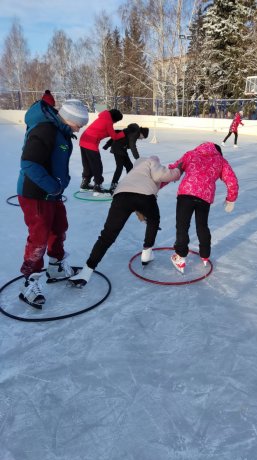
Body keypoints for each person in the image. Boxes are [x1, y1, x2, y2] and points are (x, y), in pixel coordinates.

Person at [17, 99, 89, 309]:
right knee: (39, 237)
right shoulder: (45, 130)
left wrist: (58, 186)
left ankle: (56, 267)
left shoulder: (61, 132)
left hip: (51, 194)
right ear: (69, 118)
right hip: (35, 194)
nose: (81, 127)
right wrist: (53, 186)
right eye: (80, 123)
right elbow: (29, 163)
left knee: (59, 227)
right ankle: (29, 282)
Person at [68, 156, 181, 288]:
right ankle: (147, 253)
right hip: (145, 197)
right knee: (153, 221)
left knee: (107, 236)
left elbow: (133, 193)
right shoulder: (151, 160)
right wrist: (178, 171)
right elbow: (160, 175)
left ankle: (86, 272)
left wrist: (139, 210)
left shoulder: (134, 171)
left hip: (120, 196)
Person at [168, 142, 239, 274]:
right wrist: (231, 199)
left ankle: (180, 256)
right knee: (202, 226)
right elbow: (231, 180)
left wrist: (156, 185)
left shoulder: (191, 154)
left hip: (186, 194)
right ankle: (205, 255)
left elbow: (173, 170)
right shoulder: (221, 160)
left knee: (182, 225)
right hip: (204, 197)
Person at [79, 109, 125, 194]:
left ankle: (85, 183)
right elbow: (114, 137)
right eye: (116, 121)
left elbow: (101, 132)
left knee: (87, 164)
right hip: (91, 143)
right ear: (114, 119)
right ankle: (98, 186)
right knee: (97, 165)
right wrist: (124, 133)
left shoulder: (102, 118)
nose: (115, 123)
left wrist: (113, 132)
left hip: (83, 141)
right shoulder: (108, 122)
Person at [103, 123, 150, 193]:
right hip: (118, 148)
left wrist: (108, 144)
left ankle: (130, 182)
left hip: (122, 149)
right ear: (141, 133)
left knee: (129, 166)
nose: (142, 139)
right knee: (119, 167)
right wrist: (138, 159)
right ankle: (113, 185)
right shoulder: (135, 133)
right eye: (143, 137)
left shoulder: (132, 130)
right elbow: (133, 146)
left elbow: (118, 133)